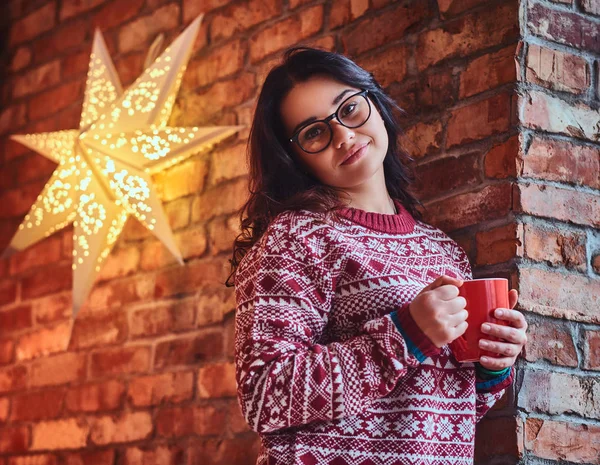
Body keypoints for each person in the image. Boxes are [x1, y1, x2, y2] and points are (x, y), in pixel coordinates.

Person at [228, 46, 528, 465]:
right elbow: (264, 395)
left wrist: (493, 367)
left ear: (376, 105)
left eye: (349, 109)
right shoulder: (297, 238)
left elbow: (445, 413)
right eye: (314, 132)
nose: (343, 136)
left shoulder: (442, 251)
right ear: (293, 156)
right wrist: (405, 334)